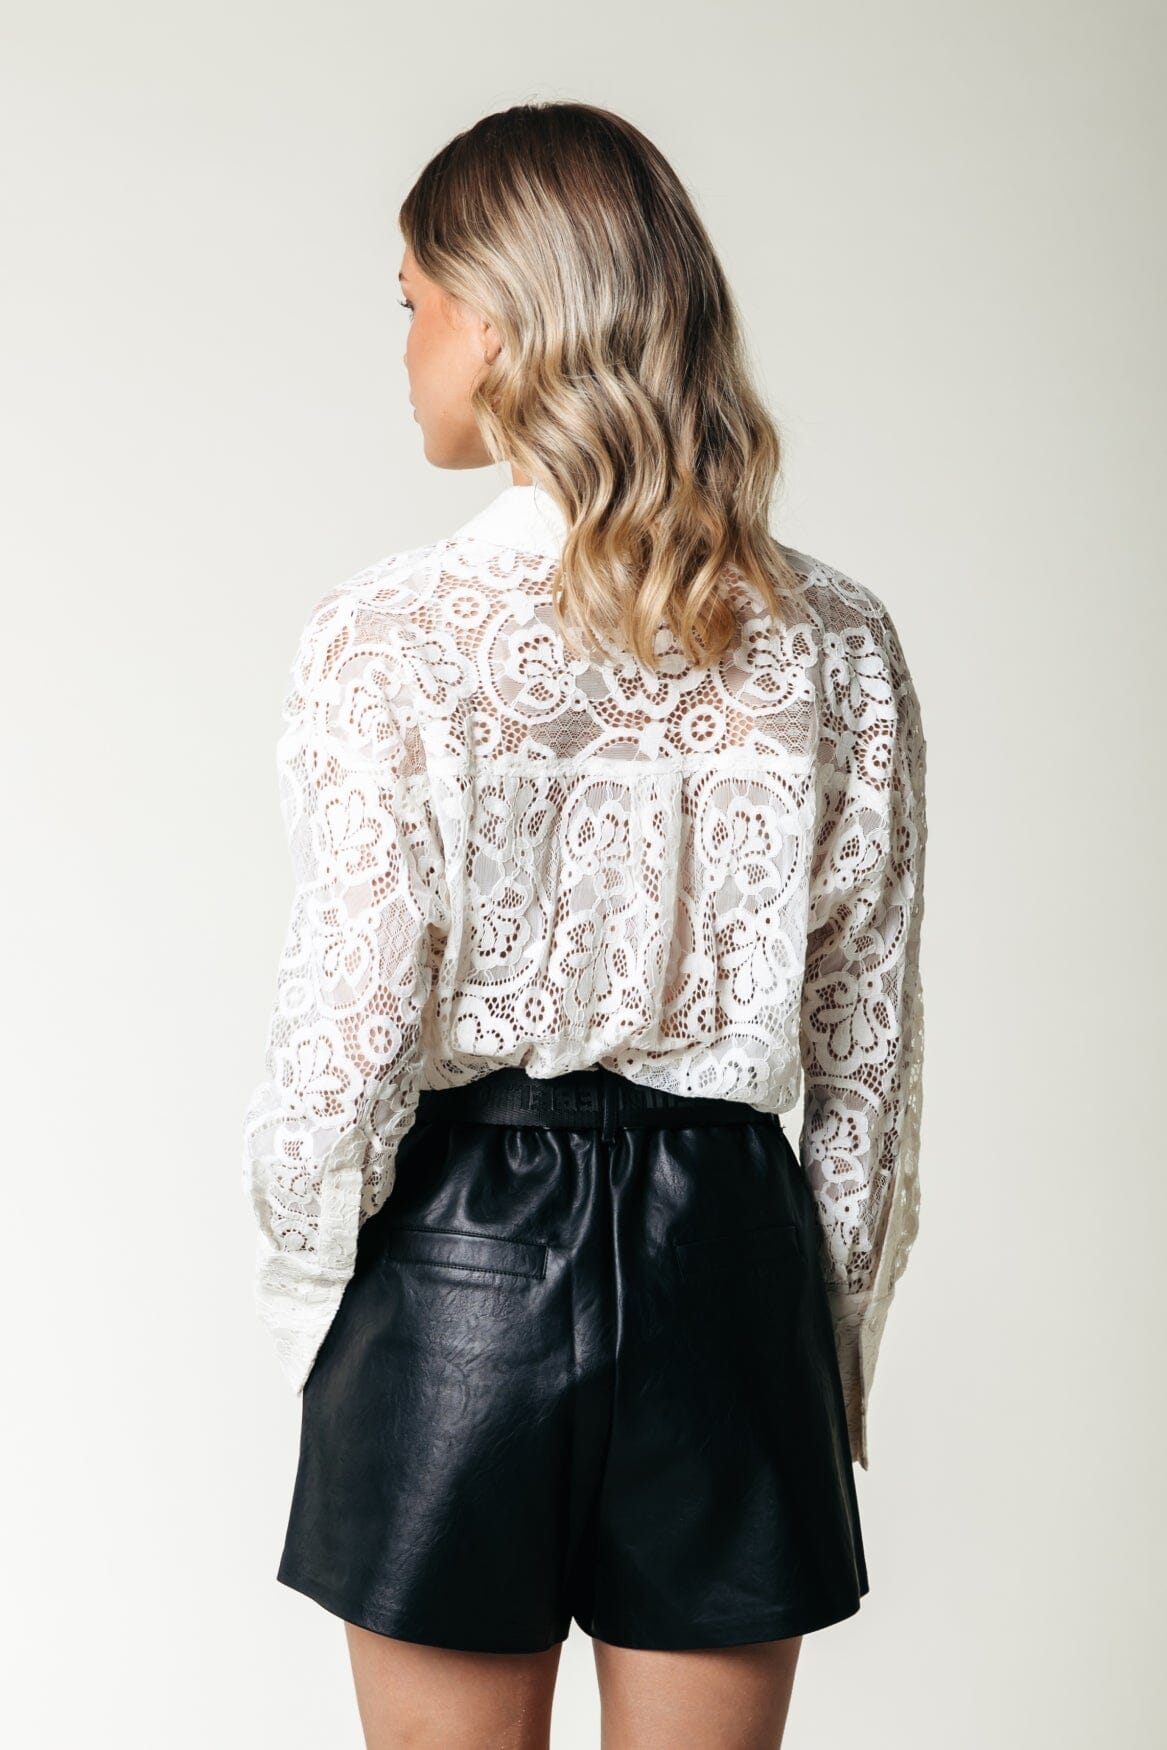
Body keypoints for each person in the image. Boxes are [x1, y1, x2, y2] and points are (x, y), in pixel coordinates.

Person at [241, 99, 928, 1750]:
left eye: (412, 300)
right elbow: (866, 1063)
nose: (405, 344)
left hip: (459, 1255)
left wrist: (314, 1296)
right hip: (731, 1262)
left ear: (495, 319)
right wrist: (821, 1343)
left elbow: (348, 1040)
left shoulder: (388, 636)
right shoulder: (839, 642)